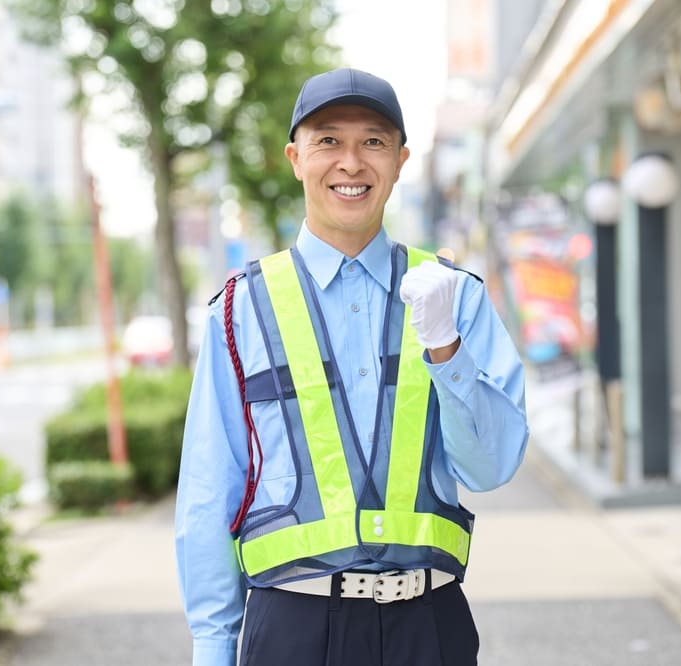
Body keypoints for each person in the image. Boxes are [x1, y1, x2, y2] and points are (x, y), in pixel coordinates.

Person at [175, 67, 529, 666]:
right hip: (291, 625)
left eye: (373, 141)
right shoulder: (240, 308)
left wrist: (445, 347)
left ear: (399, 160)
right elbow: (211, 489)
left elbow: (491, 467)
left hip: (429, 624)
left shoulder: (456, 296)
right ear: (296, 157)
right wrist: (213, 646)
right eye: (328, 140)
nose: (351, 162)